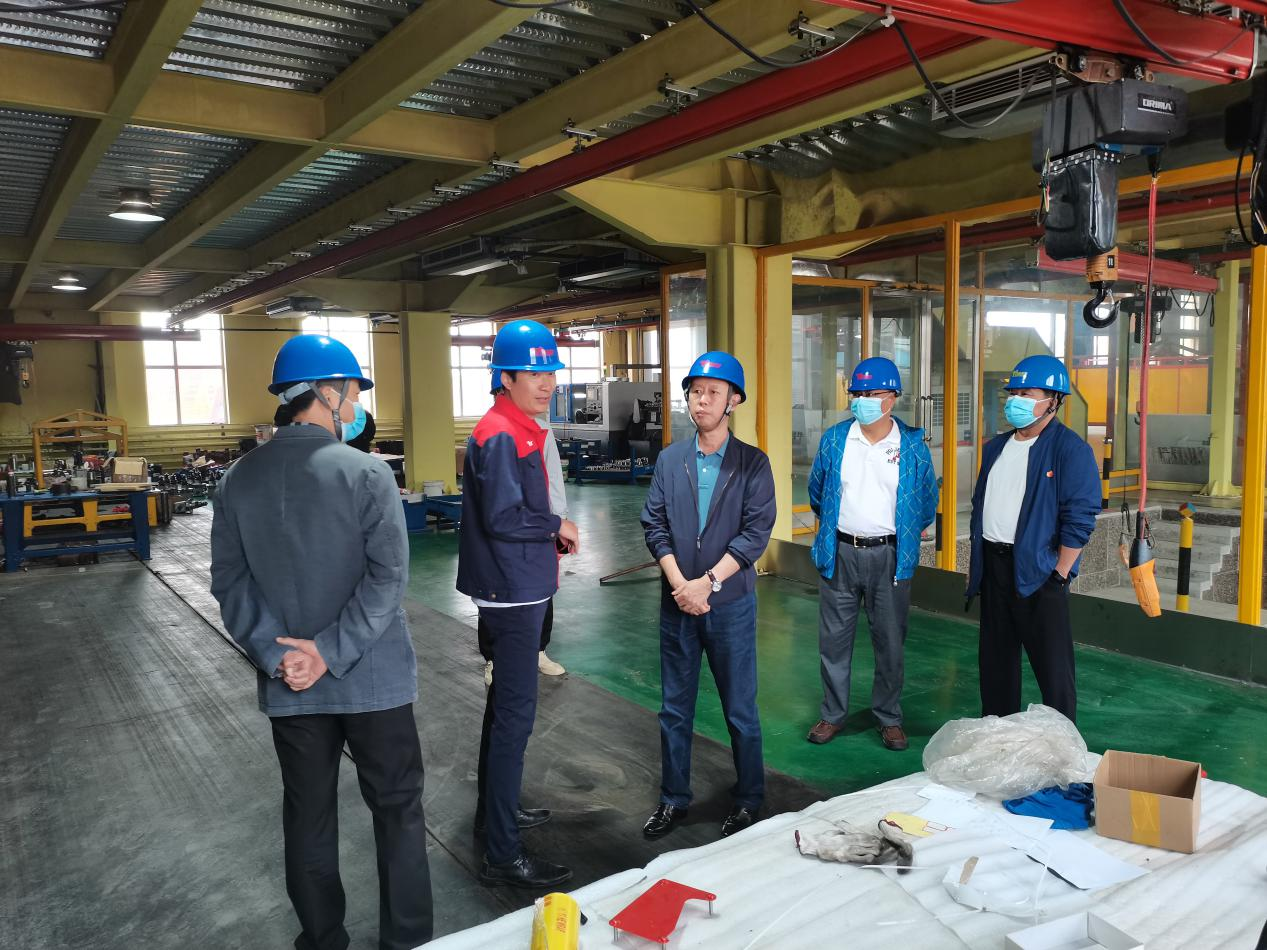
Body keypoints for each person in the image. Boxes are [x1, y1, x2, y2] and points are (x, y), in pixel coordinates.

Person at [210, 334, 432, 950]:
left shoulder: (236, 480)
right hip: (373, 680)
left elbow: (229, 582)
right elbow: (387, 578)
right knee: (398, 811)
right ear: (329, 395)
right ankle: (406, 942)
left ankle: (323, 939)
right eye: (353, 391)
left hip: (291, 685)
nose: (356, 404)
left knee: (308, 816)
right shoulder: (367, 473)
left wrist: (281, 654)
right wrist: (330, 652)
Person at [457, 319, 579, 889]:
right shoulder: (502, 432)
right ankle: (503, 854)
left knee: (502, 710)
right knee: (514, 717)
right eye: (533, 373)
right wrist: (557, 525)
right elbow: (504, 518)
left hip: (519, 584)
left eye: (550, 371)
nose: (546, 382)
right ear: (504, 378)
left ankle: (495, 814)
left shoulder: (518, 427)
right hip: (511, 592)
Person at [639, 351, 776, 840]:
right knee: (674, 709)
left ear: (733, 401)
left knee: (740, 710)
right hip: (677, 603)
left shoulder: (752, 464)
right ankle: (673, 799)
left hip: (729, 605)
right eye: (695, 391)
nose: (701, 400)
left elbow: (754, 534)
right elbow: (654, 524)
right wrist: (681, 584)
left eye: (713, 392)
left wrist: (708, 583)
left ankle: (750, 798)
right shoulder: (670, 459)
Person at [804, 357, 938, 752]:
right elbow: (817, 491)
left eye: (872, 393)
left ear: (892, 397)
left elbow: (926, 500)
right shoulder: (835, 440)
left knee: (890, 643)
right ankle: (832, 714)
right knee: (833, 641)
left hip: (889, 556)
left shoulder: (911, 445)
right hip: (841, 552)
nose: (862, 400)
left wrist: (904, 533)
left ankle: (889, 717)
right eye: (858, 393)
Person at [966, 354, 1100, 724]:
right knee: (995, 662)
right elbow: (981, 505)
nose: (1016, 400)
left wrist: (1060, 574)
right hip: (994, 567)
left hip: (1041, 572)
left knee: (1052, 669)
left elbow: (1080, 517)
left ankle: (1061, 742)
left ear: (1053, 401)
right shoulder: (996, 447)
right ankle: (998, 733)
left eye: (1026, 394)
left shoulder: (1070, 450)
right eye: (1013, 393)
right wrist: (978, 566)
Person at [477, 368, 567, 684]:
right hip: (511, 535)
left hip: (542, 528)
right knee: (499, 594)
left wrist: (559, 520)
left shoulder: (541, 429)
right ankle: (493, 658)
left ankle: (538, 649)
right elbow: (494, 507)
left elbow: (553, 476)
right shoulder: (496, 433)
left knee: (543, 589)